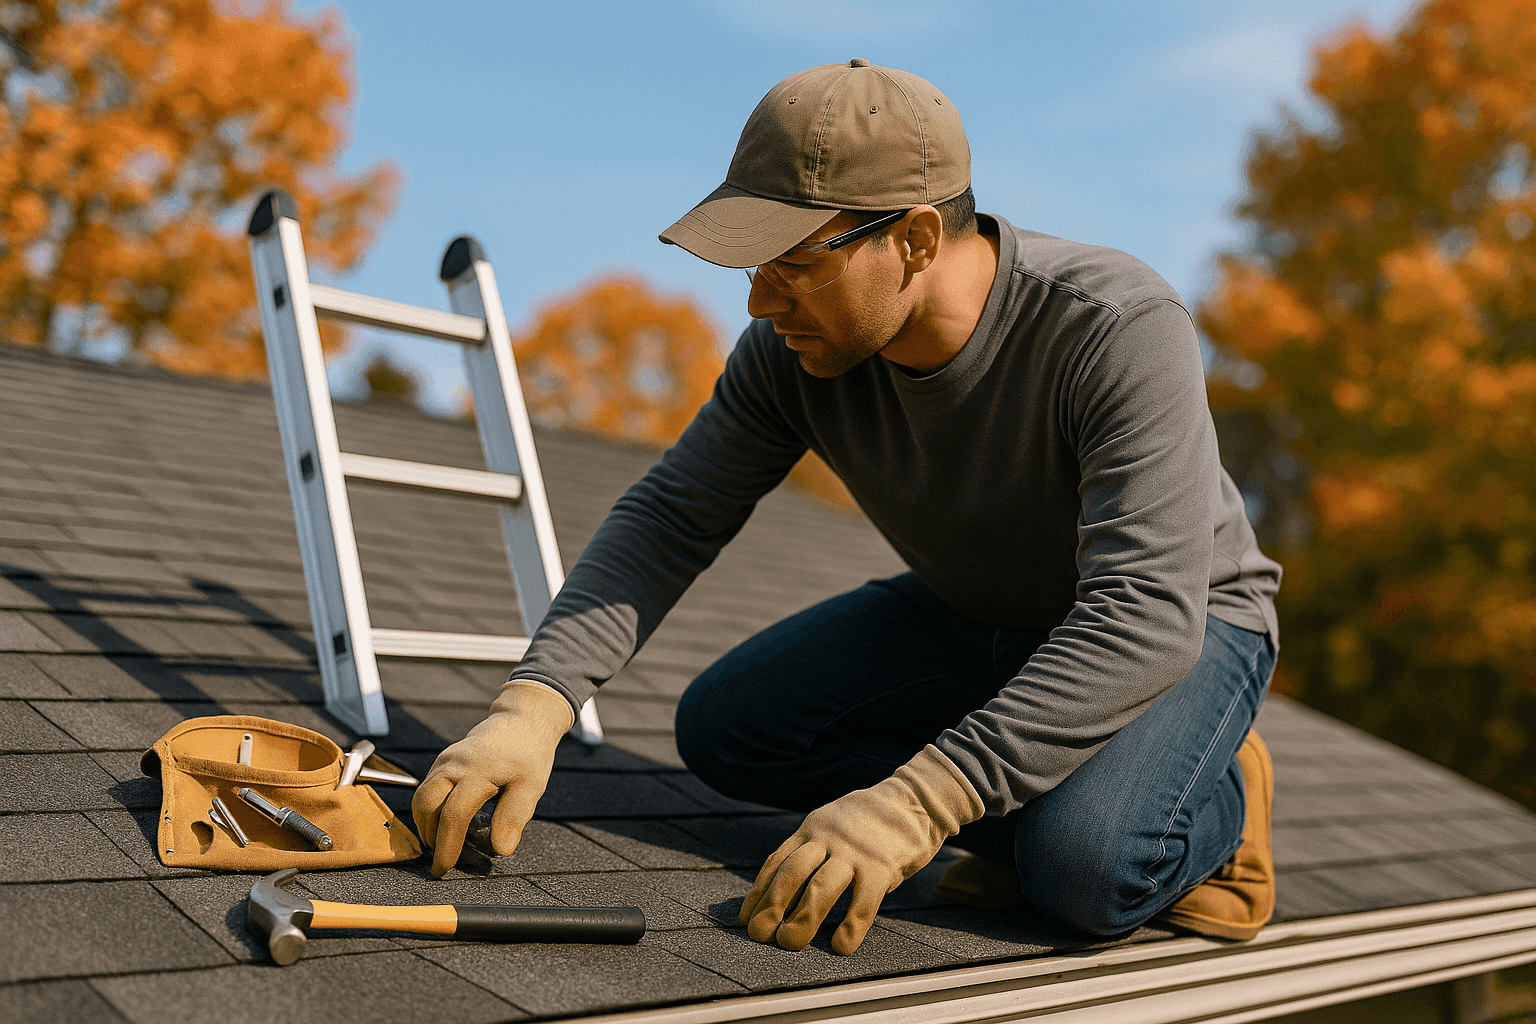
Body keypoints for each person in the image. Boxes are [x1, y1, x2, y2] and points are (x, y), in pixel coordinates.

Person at [413, 59, 1283, 956]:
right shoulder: (790, 355)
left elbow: (1142, 612)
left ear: (911, 240)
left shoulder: (1114, 327)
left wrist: (918, 804)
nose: (756, 302)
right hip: (977, 610)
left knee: (1084, 871)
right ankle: (1046, 795)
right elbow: (673, 515)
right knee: (727, 729)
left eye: (791, 265)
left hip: (1181, 624)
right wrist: (534, 705)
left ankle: (1218, 798)